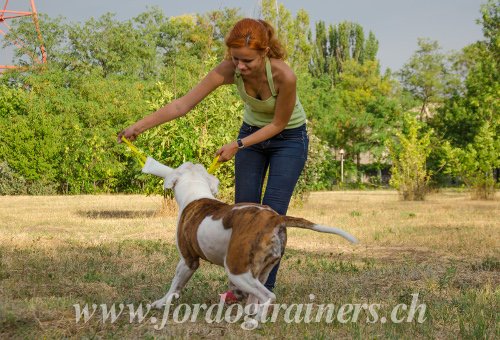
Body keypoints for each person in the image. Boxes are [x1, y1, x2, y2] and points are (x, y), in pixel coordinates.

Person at [118, 18, 309, 300]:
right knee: (243, 212)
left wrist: (238, 144)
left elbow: (278, 124)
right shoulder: (228, 70)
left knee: (271, 215)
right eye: (236, 59)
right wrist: (139, 126)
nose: (240, 67)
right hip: (251, 138)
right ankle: (242, 288)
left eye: (247, 61)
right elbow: (182, 104)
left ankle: (263, 290)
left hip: (288, 139)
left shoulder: (284, 76)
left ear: (265, 52)